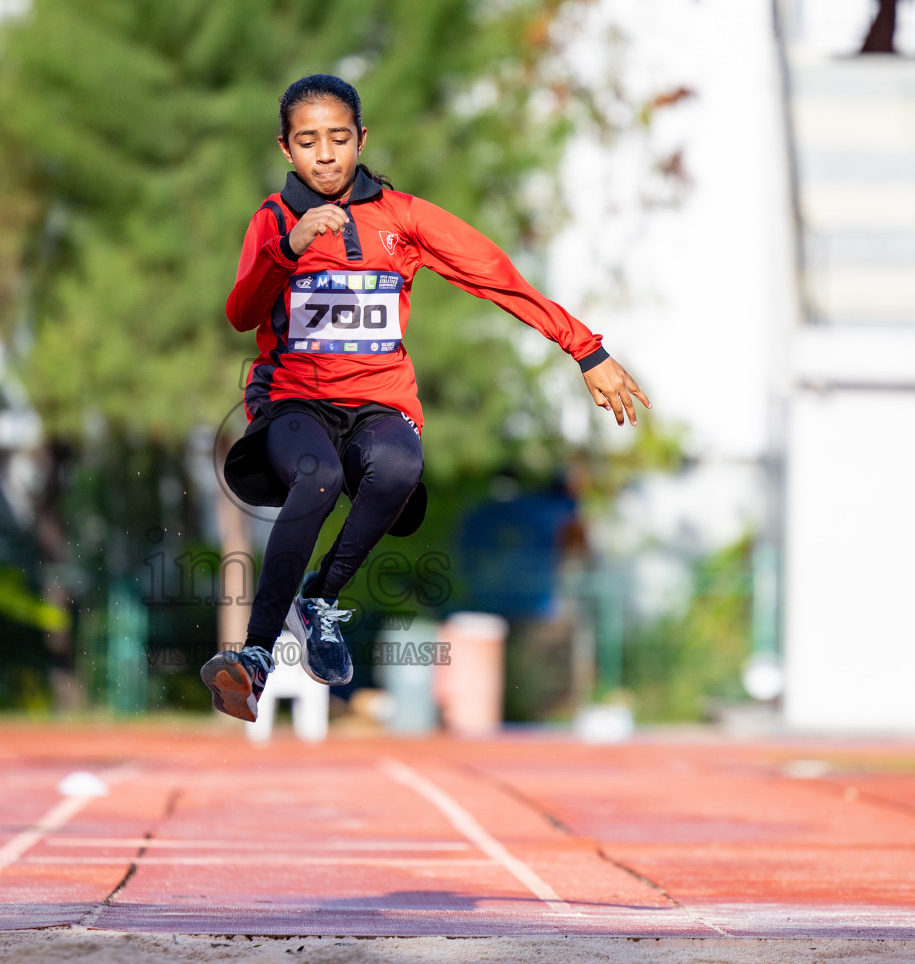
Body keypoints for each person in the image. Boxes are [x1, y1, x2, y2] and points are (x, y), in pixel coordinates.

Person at [199, 74, 648, 722]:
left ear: (360, 140)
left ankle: (319, 600)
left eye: (338, 138)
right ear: (285, 148)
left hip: (378, 404)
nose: (324, 155)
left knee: (402, 467)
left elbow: (493, 273)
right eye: (307, 142)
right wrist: (287, 248)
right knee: (317, 475)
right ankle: (256, 657)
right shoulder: (272, 219)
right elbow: (242, 312)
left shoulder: (402, 218)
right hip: (293, 404)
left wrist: (585, 348)